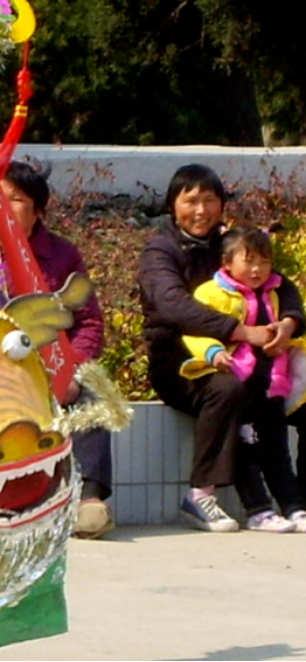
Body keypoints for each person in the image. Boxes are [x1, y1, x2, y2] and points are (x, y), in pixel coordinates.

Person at [138, 164, 305, 533]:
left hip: (249, 358)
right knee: (228, 389)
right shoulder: (160, 252)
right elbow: (173, 306)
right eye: (191, 201)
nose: (201, 211)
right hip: (179, 362)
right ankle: (200, 496)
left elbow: (283, 285)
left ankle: (295, 501)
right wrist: (241, 331)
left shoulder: (230, 243)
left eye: (209, 200)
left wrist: (289, 321)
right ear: (172, 206)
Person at [1, 162, 114, 539]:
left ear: (38, 212)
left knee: (93, 397)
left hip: (54, 367)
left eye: (15, 199)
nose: (4, 205)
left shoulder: (62, 256)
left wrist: (71, 370)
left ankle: (90, 501)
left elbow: (89, 323)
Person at [180, 226, 306, 532]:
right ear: (226, 263)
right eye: (248, 261)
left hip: (273, 383)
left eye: (264, 261)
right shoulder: (210, 292)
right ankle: (258, 510)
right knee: (246, 450)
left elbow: (295, 315)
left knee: (278, 450)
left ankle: (294, 507)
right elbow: (194, 331)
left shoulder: (277, 290)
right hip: (238, 382)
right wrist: (212, 353)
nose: (257, 269)